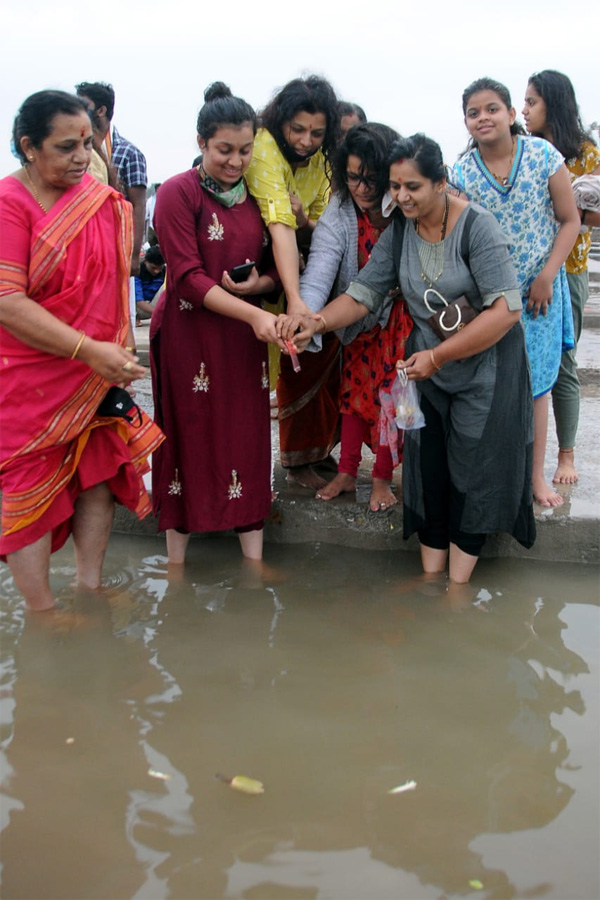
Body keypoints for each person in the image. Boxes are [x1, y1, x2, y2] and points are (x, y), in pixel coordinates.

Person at [291, 134, 536, 584]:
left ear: (441, 183)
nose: (400, 196)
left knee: (473, 469)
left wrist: (439, 357)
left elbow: (507, 310)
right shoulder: (401, 229)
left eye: (413, 187)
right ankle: (429, 583)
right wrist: (317, 323)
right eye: (395, 186)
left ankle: (457, 591)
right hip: (428, 368)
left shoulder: (478, 226)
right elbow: (364, 292)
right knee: (429, 471)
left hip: (484, 366)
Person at [0, 90, 164, 611]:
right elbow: (6, 300)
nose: (81, 157)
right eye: (66, 146)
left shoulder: (100, 204)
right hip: (29, 374)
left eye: (87, 144)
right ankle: (42, 610)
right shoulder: (9, 203)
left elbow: (111, 283)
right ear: (29, 146)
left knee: (97, 471)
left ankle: (89, 586)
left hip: (93, 371)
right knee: (26, 488)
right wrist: (86, 349)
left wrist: (103, 353)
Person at [150, 82, 283, 568]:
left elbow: (275, 268)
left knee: (247, 437)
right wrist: (256, 313)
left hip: (243, 339)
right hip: (189, 334)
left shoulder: (257, 198)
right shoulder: (176, 193)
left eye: (245, 150)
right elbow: (185, 277)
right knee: (188, 437)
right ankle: (176, 567)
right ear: (201, 143)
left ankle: (254, 562)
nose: (235, 160)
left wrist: (259, 287)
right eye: (224, 150)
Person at [452, 77, 580, 508]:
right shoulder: (462, 172)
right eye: (473, 112)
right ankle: (496, 471)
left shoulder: (544, 156)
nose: (483, 117)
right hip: (494, 298)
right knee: (495, 384)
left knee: (538, 386)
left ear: (510, 114)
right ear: (466, 123)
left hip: (539, 294)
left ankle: (536, 477)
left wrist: (547, 275)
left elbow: (570, 220)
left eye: (492, 108)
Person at [287, 122, 412, 511]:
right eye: (353, 177)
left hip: (401, 327)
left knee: (393, 403)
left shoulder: (405, 207)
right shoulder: (339, 211)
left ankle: (381, 478)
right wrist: (304, 316)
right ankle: (346, 471)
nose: (362, 188)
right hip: (355, 324)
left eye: (372, 178)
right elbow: (321, 268)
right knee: (353, 397)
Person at [244, 75, 341, 490]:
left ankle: (315, 452)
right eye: (297, 129)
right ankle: (254, 469)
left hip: (299, 271)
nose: (306, 140)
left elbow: (318, 225)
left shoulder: (322, 160)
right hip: (256, 271)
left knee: (307, 361)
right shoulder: (264, 146)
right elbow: (279, 224)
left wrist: (304, 222)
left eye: (317, 132)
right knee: (260, 374)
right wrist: (297, 301)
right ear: (280, 121)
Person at [522, 70, 600, 484]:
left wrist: (567, 207)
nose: (524, 109)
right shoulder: (524, 147)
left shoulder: (584, 152)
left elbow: (597, 210)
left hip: (566, 271)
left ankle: (565, 455)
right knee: (522, 367)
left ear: (553, 102)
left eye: (532, 101)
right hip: (525, 273)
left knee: (563, 365)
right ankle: (525, 458)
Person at [75, 81, 148, 276]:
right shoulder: (76, 151)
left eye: (83, 105)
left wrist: (133, 255)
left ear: (101, 110)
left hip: (116, 246)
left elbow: (138, 206)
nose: (77, 110)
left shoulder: (129, 153)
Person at [135, 244, 165, 324]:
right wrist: (161, 313)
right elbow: (139, 302)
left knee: (169, 282)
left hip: (155, 306)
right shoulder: (137, 273)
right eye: (153, 268)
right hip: (138, 308)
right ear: (145, 261)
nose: (157, 271)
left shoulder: (164, 271)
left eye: (159, 268)